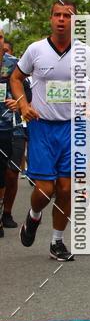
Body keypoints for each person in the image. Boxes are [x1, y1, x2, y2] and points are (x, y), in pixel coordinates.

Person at [10, 0, 90, 260]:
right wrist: (23, 104)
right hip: (43, 127)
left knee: (67, 189)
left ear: (75, 21)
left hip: (73, 128)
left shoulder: (85, 53)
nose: (61, 20)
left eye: (67, 16)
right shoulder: (35, 50)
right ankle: (34, 217)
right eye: (56, 15)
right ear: (50, 19)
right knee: (45, 188)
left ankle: (57, 241)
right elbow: (15, 78)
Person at [0, 30, 18, 239]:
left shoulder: (14, 64)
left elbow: (26, 92)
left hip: (10, 126)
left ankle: (6, 213)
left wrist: (19, 101)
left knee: (10, 173)